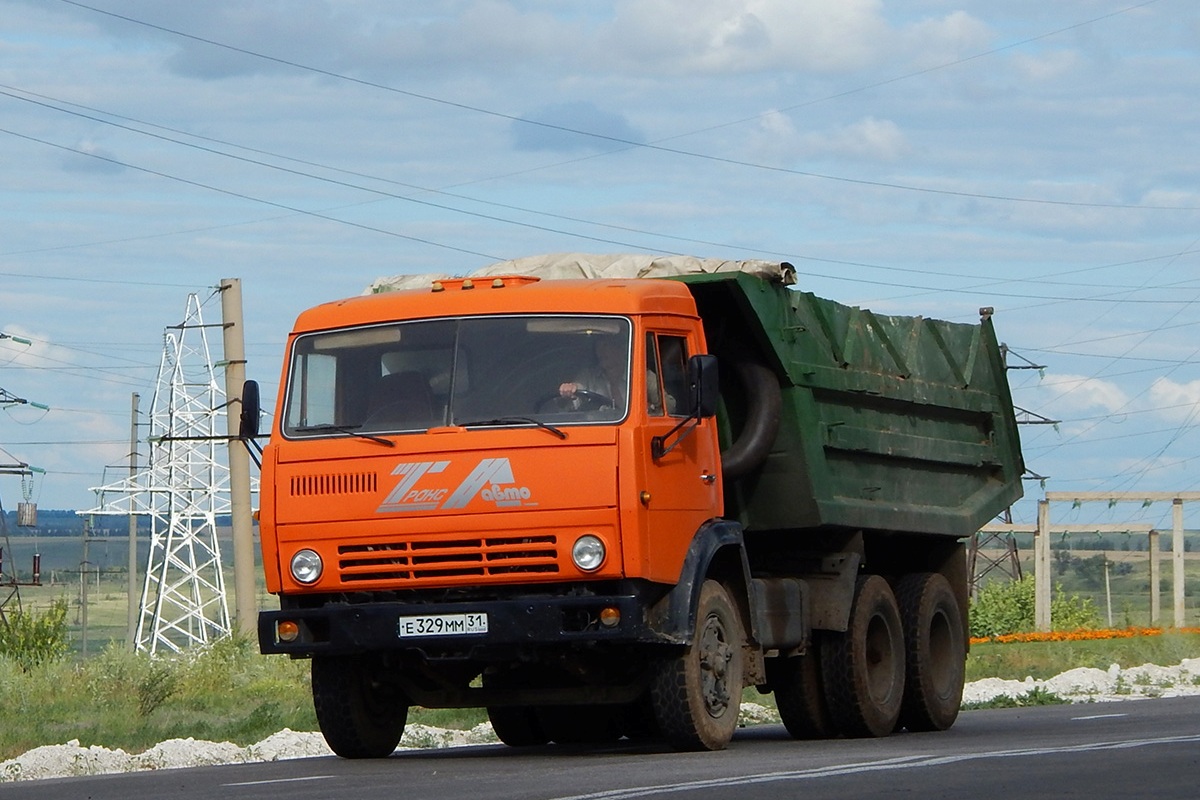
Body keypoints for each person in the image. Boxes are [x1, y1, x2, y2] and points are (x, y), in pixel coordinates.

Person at [559, 335, 627, 411]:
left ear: (620, 349)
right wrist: (570, 389)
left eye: (606, 345)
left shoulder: (635, 376)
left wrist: (614, 385)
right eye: (598, 346)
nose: (601, 350)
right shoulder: (588, 376)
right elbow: (577, 388)